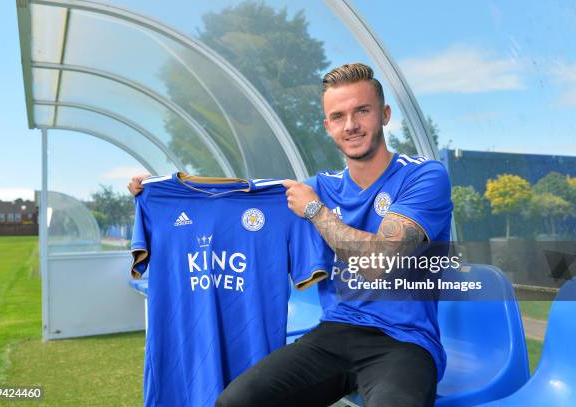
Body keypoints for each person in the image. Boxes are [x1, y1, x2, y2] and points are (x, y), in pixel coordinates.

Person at [128, 63, 452, 407]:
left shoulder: (425, 177)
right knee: (235, 402)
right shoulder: (319, 187)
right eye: (338, 116)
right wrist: (161, 190)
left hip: (404, 341)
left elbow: (381, 263)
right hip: (336, 332)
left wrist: (315, 211)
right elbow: (238, 200)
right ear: (328, 126)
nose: (351, 125)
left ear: (384, 115)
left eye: (362, 111)